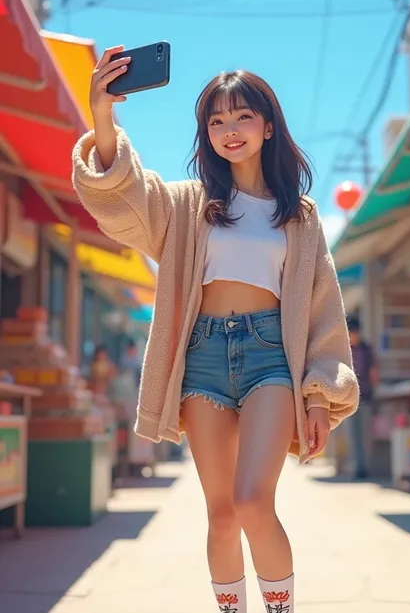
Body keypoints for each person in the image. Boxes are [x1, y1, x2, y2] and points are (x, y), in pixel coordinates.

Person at [72, 45, 360, 613]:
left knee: (255, 502)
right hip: (201, 357)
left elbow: (325, 307)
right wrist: (103, 116)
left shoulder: (298, 216)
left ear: (268, 126)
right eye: (217, 120)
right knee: (222, 514)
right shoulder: (188, 205)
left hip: (271, 357)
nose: (230, 129)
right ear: (207, 133)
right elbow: (122, 196)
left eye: (243, 116)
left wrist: (321, 396)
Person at [346, 316, 378, 480]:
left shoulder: (366, 349)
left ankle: (366, 467)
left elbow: (373, 372)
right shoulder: (344, 350)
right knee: (353, 435)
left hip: (365, 396)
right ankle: (357, 467)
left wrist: (374, 390)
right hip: (349, 399)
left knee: (365, 435)